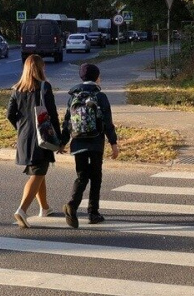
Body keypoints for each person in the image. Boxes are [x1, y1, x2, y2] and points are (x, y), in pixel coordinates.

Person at [6, 54, 62, 228]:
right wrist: (58, 140)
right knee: (37, 173)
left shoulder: (17, 89)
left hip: (24, 137)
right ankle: (21, 210)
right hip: (41, 137)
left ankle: (44, 208)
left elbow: (9, 114)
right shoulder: (45, 87)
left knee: (39, 172)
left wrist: (21, 128)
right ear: (40, 68)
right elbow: (52, 114)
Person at [60, 63, 119, 228]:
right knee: (96, 176)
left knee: (81, 176)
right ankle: (93, 213)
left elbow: (67, 122)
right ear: (96, 77)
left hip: (78, 142)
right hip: (95, 143)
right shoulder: (100, 96)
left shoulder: (73, 96)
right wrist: (113, 143)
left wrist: (63, 142)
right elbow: (108, 122)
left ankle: (72, 205)